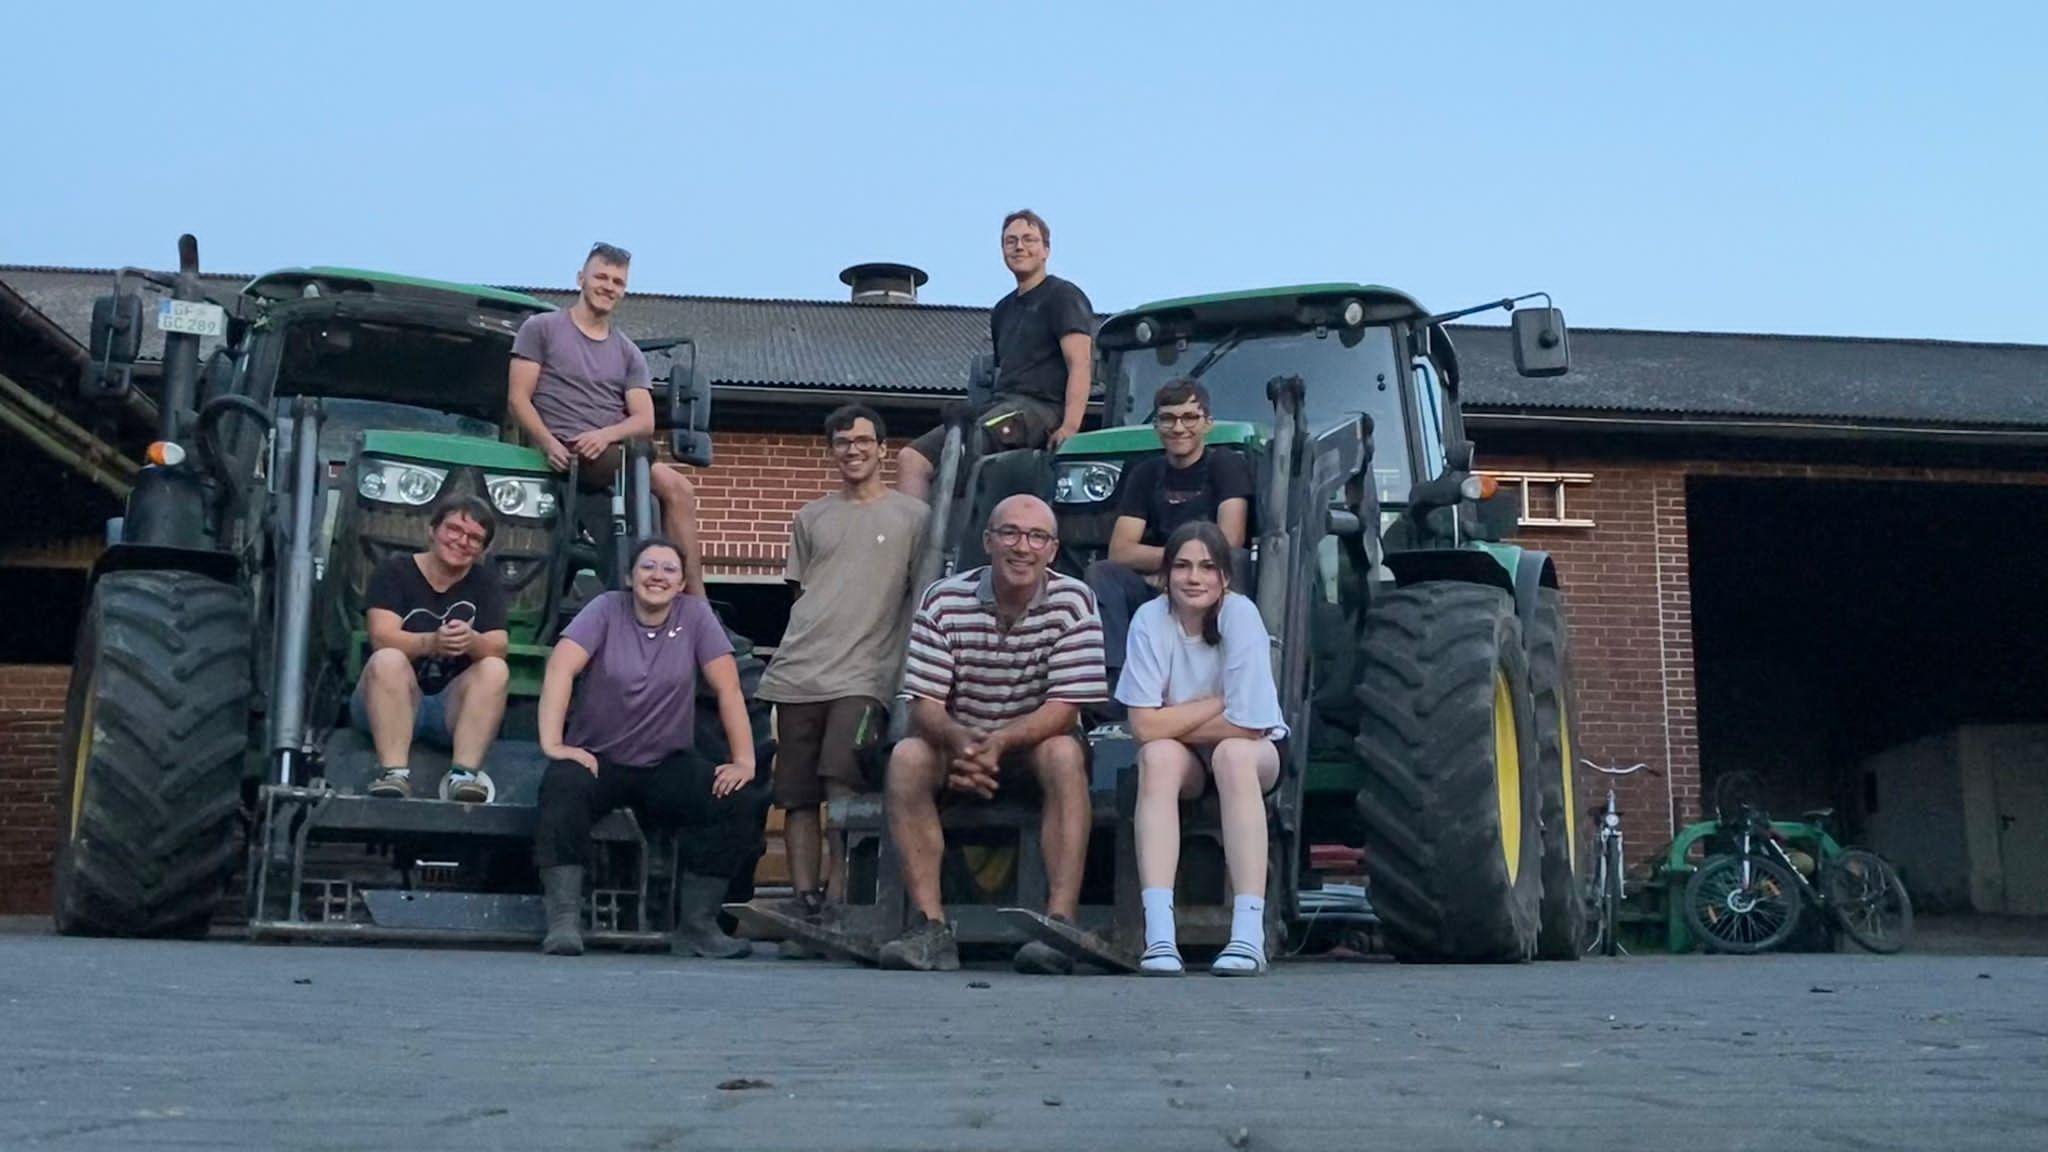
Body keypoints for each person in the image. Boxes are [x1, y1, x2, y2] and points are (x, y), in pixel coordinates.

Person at [879, 495, 1108, 973]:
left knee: (1064, 753)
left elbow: (1065, 709)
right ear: (987, 541)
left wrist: (998, 744)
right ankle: (929, 928)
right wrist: (964, 744)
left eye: (1037, 537)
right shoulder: (943, 599)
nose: (1022, 547)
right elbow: (924, 703)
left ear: (1053, 550)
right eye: (1010, 533)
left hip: (1031, 748)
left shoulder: (1074, 600)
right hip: (959, 745)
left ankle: (1060, 925)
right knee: (907, 757)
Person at [532, 537, 767, 958]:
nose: (657, 576)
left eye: (669, 569)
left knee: (735, 800)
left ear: (681, 583)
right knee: (562, 786)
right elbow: (561, 668)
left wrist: (744, 761)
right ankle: (564, 921)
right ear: (629, 576)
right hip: (599, 759)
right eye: (648, 567)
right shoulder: (604, 609)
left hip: (665, 762)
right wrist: (554, 743)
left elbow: (729, 689)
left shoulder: (696, 616)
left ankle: (697, 926)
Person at [756, 404, 929, 932]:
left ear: (882, 448)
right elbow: (801, 594)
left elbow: (920, 597)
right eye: (842, 442)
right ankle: (803, 901)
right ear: (831, 451)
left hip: (866, 676)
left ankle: (841, 899)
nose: (853, 450)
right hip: (797, 674)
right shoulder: (810, 518)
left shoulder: (914, 518)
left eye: (862, 441)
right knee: (796, 796)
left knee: (843, 783)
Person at [1116, 519, 1286, 976]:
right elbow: (1142, 727)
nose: (1195, 578)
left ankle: (1248, 936)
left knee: (1232, 756)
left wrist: (1171, 720)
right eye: (1183, 566)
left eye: (1208, 567)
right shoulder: (1150, 620)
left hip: (1256, 751)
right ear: (1165, 574)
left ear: (1225, 577)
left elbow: (1249, 726)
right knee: (1155, 758)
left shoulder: (1240, 615)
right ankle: (1159, 937)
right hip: (1185, 753)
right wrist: (1215, 703)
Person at [507, 242, 706, 595]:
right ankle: (646, 579)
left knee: (677, 487)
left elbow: (644, 420)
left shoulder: (628, 352)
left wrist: (604, 435)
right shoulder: (541, 329)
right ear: (580, 278)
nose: (608, 287)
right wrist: (548, 444)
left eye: (617, 282)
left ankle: (692, 601)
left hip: (612, 453)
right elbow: (518, 399)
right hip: (565, 453)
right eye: (601, 277)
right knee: (643, 465)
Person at [897, 209, 1095, 500]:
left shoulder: (1063, 296)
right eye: (1010, 241)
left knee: (973, 439)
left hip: (1040, 409)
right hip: (999, 405)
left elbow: (1080, 363)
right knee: (912, 458)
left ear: (1046, 250)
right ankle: (922, 528)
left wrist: (1070, 427)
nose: (1019, 247)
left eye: (1029, 239)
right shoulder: (1002, 311)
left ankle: (966, 521)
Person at [1085, 379, 1253, 685]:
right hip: (1156, 585)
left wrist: (1176, 570)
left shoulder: (1226, 465)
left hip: (1205, 583)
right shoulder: (1145, 473)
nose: (1178, 428)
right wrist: (1170, 569)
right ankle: (1115, 678)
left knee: (1237, 560)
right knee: (1103, 573)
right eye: (1168, 419)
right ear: (1156, 426)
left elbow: (1229, 541)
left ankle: (1228, 673)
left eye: (1189, 417)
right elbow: (1120, 550)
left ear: (1208, 423)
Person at [357, 495, 511, 802]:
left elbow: (499, 645)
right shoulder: (394, 571)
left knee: (495, 668)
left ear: (482, 550)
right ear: (432, 530)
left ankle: (464, 776)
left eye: (474, 538)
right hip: (387, 701)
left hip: (449, 709)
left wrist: (472, 641)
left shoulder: (485, 583)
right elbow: (381, 637)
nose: (462, 541)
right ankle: (393, 774)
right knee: (388, 659)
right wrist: (432, 642)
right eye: (454, 529)